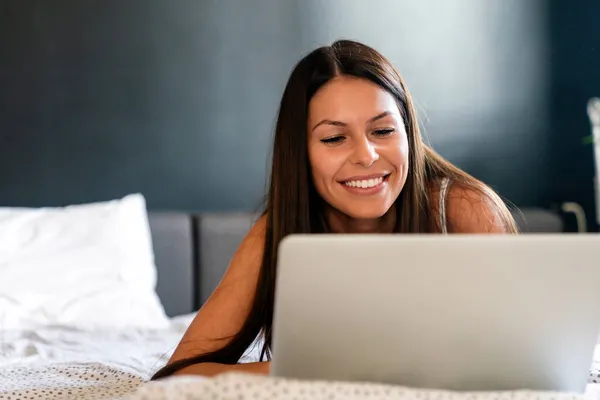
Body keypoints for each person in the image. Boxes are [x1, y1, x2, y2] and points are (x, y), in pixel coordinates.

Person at [151, 39, 518, 380]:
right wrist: (317, 370)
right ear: (301, 153)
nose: (366, 156)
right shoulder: (277, 236)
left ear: (408, 133)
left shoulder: (461, 208)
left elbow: (524, 351)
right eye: (334, 138)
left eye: (383, 131)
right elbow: (181, 375)